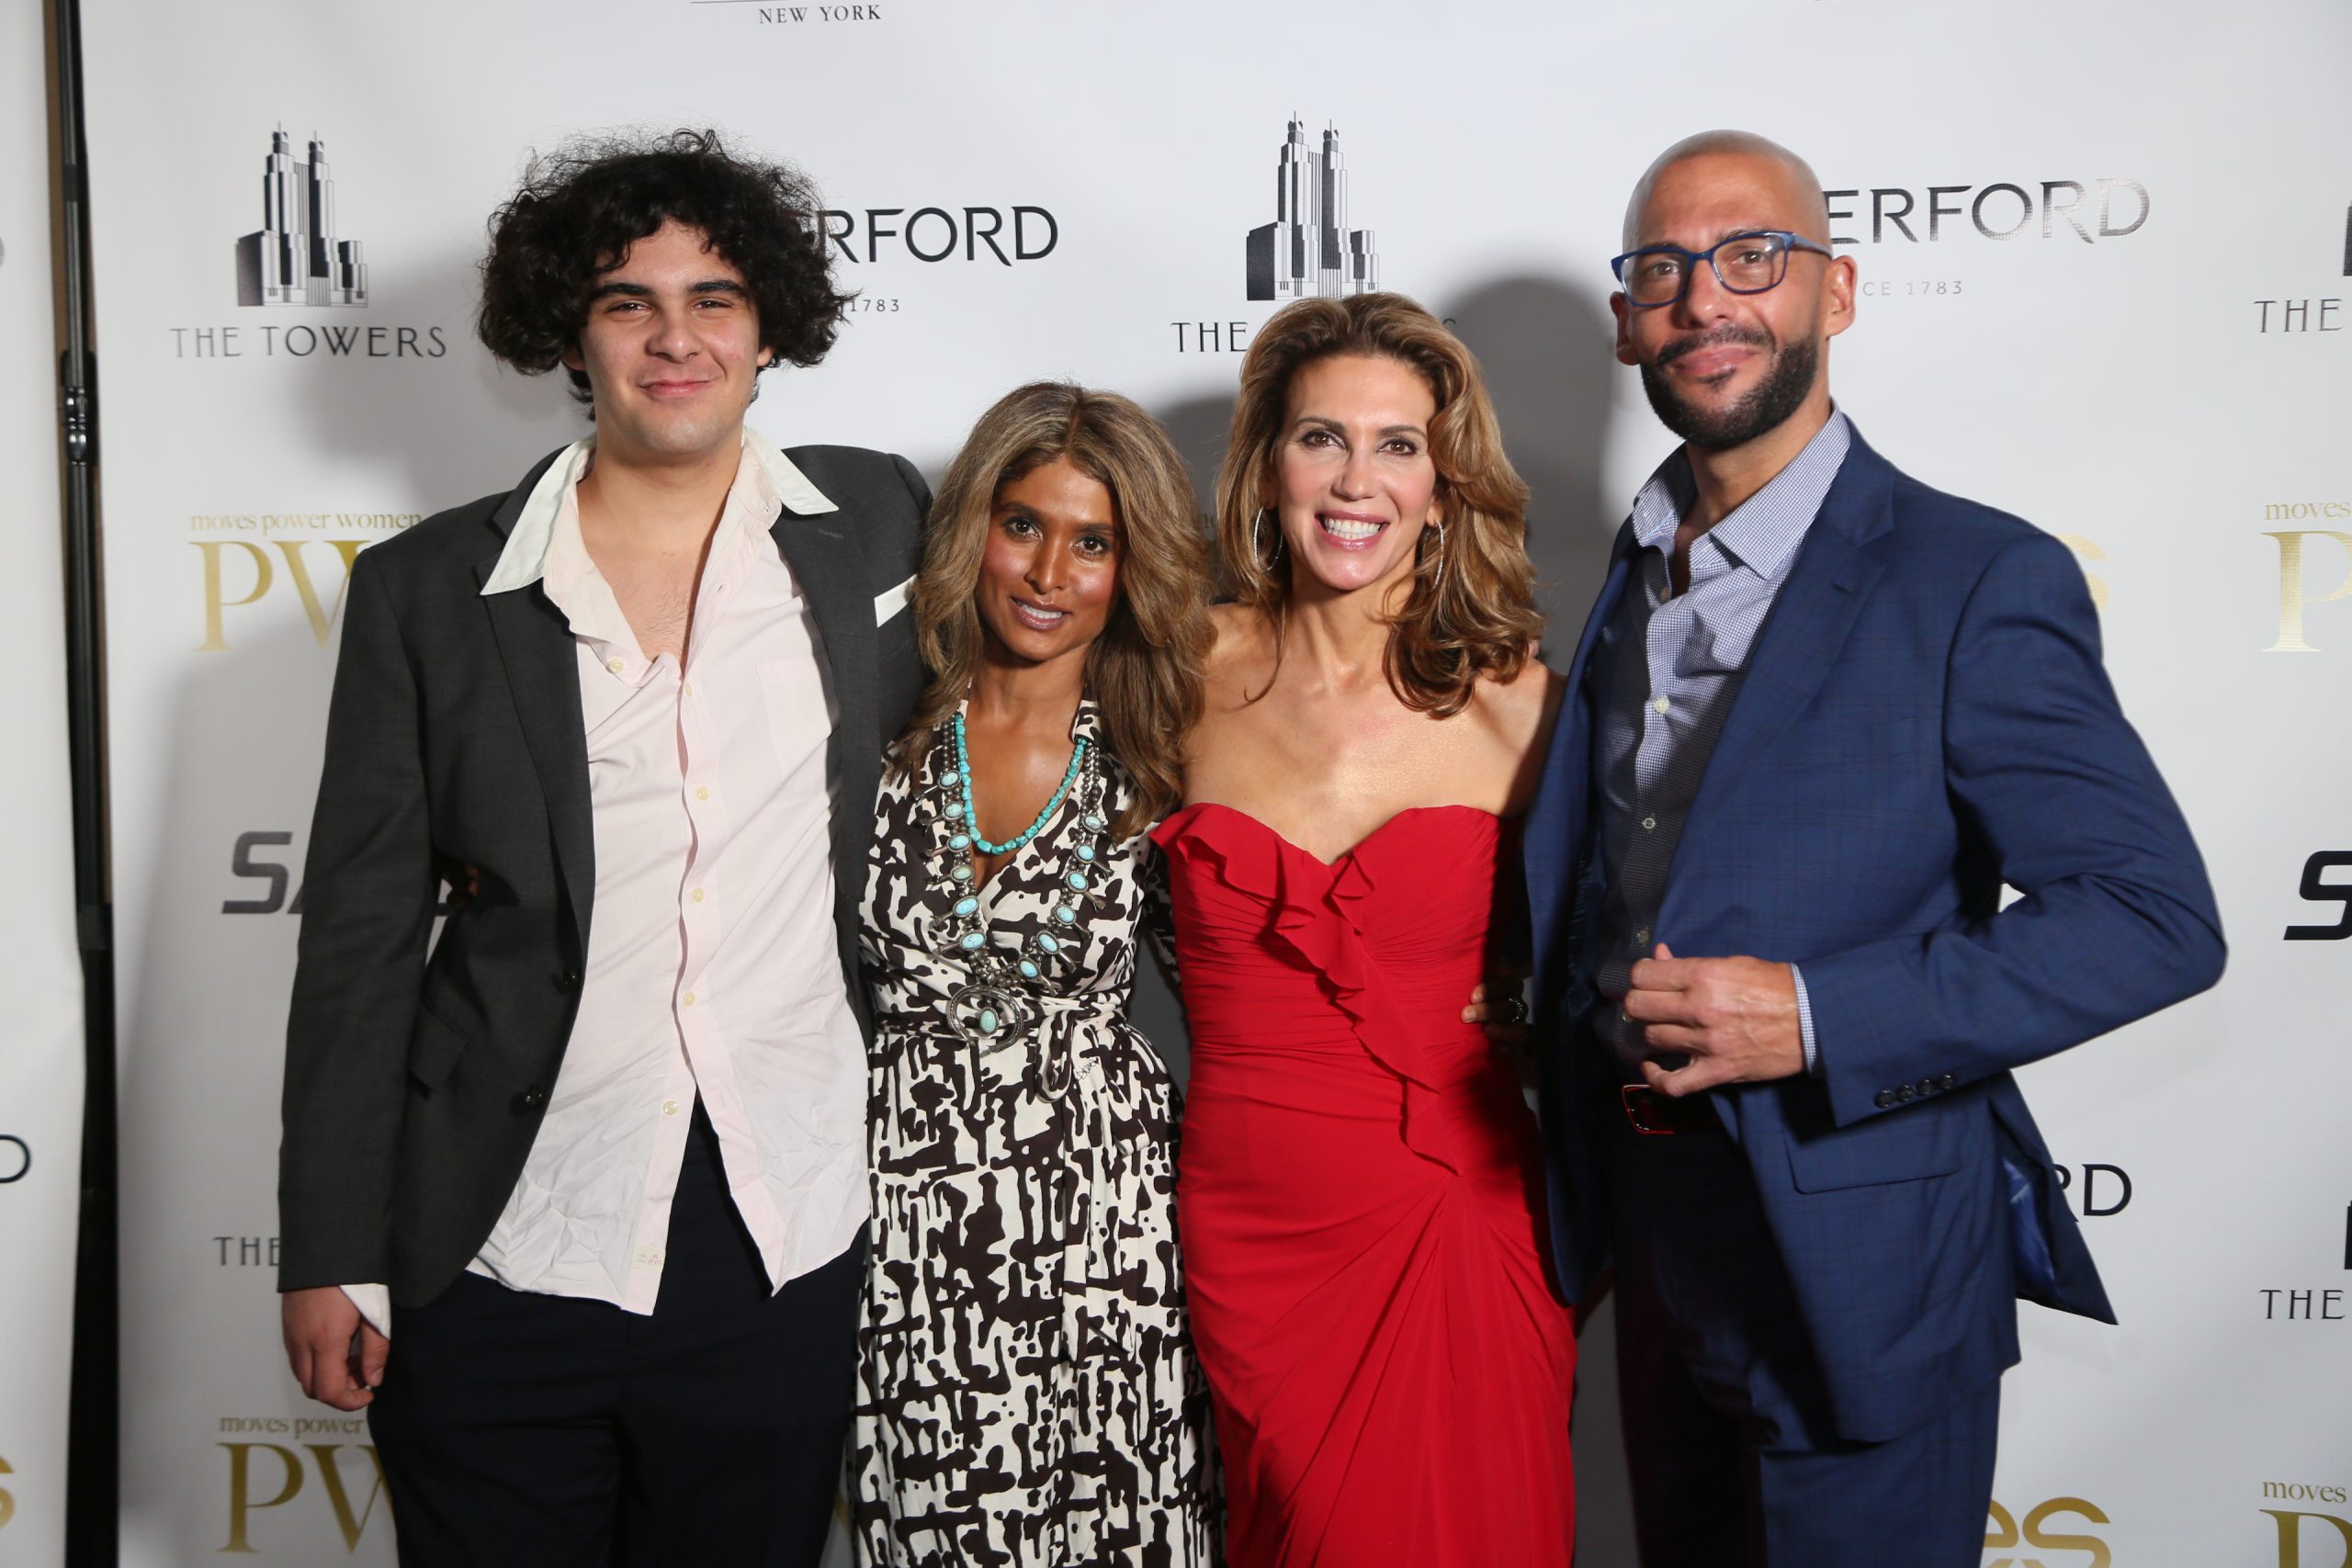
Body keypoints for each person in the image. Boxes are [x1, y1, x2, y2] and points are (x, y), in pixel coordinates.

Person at [1521, 130, 2226, 1567]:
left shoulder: (1973, 577)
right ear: (1627, 321)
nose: (1705, 300)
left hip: (1862, 1267)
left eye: (1751, 257)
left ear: (1834, 291)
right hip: (1656, 1241)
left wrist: (1818, 1013)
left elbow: (2153, 915)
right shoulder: (1630, 571)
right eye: (1664, 269)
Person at [275, 130, 930, 1565]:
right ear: (571, 334)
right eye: (630, 302)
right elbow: (361, 937)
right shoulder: (427, 592)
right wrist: (327, 1247)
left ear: (770, 331)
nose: (675, 339)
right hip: (501, 1240)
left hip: (779, 1234)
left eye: (715, 300)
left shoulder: (879, 523)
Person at [1152, 293, 1577, 1568]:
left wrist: (1540, 1001)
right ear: (1267, 466)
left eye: (1399, 446)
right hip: (1249, 1231)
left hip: (1457, 1217)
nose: (1356, 480)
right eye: (1321, 438)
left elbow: (1640, 939)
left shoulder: (1526, 711)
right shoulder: (1173, 672)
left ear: (1444, 490)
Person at [851, 382, 1221, 1565]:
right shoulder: (875, 733)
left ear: (1134, 565)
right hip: (906, 1220)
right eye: (1023, 525)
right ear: (975, 527)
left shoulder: (1168, 757)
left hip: (1109, 1221)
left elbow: (1244, 991)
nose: (1049, 573)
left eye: (1093, 542)